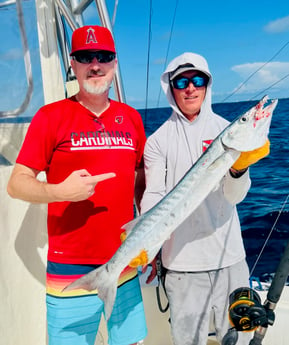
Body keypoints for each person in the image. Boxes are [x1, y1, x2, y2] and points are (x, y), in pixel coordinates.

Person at [7, 25, 147, 345]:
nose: (95, 64)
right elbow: (16, 184)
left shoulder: (132, 118)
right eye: (85, 57)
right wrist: (59, 191)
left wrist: (148, 237)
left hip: (124, 262)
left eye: (103, 56)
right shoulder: (50, 117)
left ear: (114, 63)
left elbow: (140, 178)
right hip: (69, 268)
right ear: (73, 63)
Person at [140, 52, 270, 345]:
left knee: (237, 338)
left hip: (230, 260)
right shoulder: (157, 142)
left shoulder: (228, 130)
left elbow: (234, 197)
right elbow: (153, 195)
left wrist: (239, 169)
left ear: (207, 84)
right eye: (181, 81)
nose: (190, 88)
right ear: (171, 88)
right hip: (182, 267)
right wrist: (148, 244)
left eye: (197, 80)